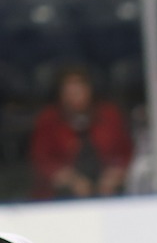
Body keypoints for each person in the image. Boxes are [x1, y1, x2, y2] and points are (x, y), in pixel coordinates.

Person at [29, 67, 132, 198]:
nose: (75, 95)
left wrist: (115, 173)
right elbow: (41, 160)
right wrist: (70, 180)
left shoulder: (110, 115)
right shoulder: (48, 119)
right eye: (69, 91)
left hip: (109, 187)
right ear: (60, 94)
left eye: (79, 89)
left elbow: (125, 151)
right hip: (62, 193)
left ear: (89, 90)